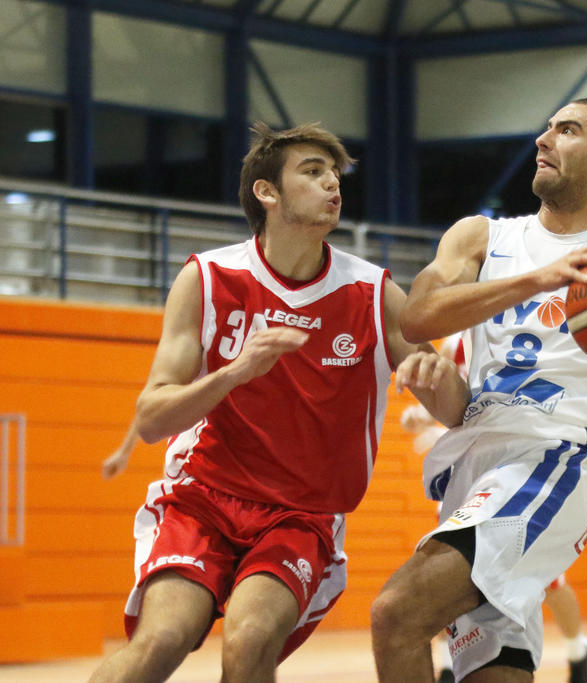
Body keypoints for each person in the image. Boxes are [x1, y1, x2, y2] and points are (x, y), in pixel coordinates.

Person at [89, 121, 469, 683]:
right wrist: (237, 371)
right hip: (204, 498)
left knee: (249, 640)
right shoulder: (208, 278)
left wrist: (437, 373)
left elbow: (456, 409)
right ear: (267, 192)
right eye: (312, 173)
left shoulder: (372, 293)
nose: (332, 185)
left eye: (334, 174)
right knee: (161, 641)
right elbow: (150, 419)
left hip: (300, 514)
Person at [370, 98, 587, 682]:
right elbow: (419, 316)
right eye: (546, 128)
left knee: (395, 614)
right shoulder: (483, 237)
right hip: (468, 470)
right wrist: (539, 279)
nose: (543, 139)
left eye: (567, 130)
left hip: (547, 466)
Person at [400, 333, 587, 683]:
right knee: (450, 569)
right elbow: (455, 402)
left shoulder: (524, 327)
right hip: (466, 471)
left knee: (549, 582)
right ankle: (449, 661)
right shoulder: (454, 345)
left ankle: (578, 649)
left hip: (521, 462)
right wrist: (420, 416)